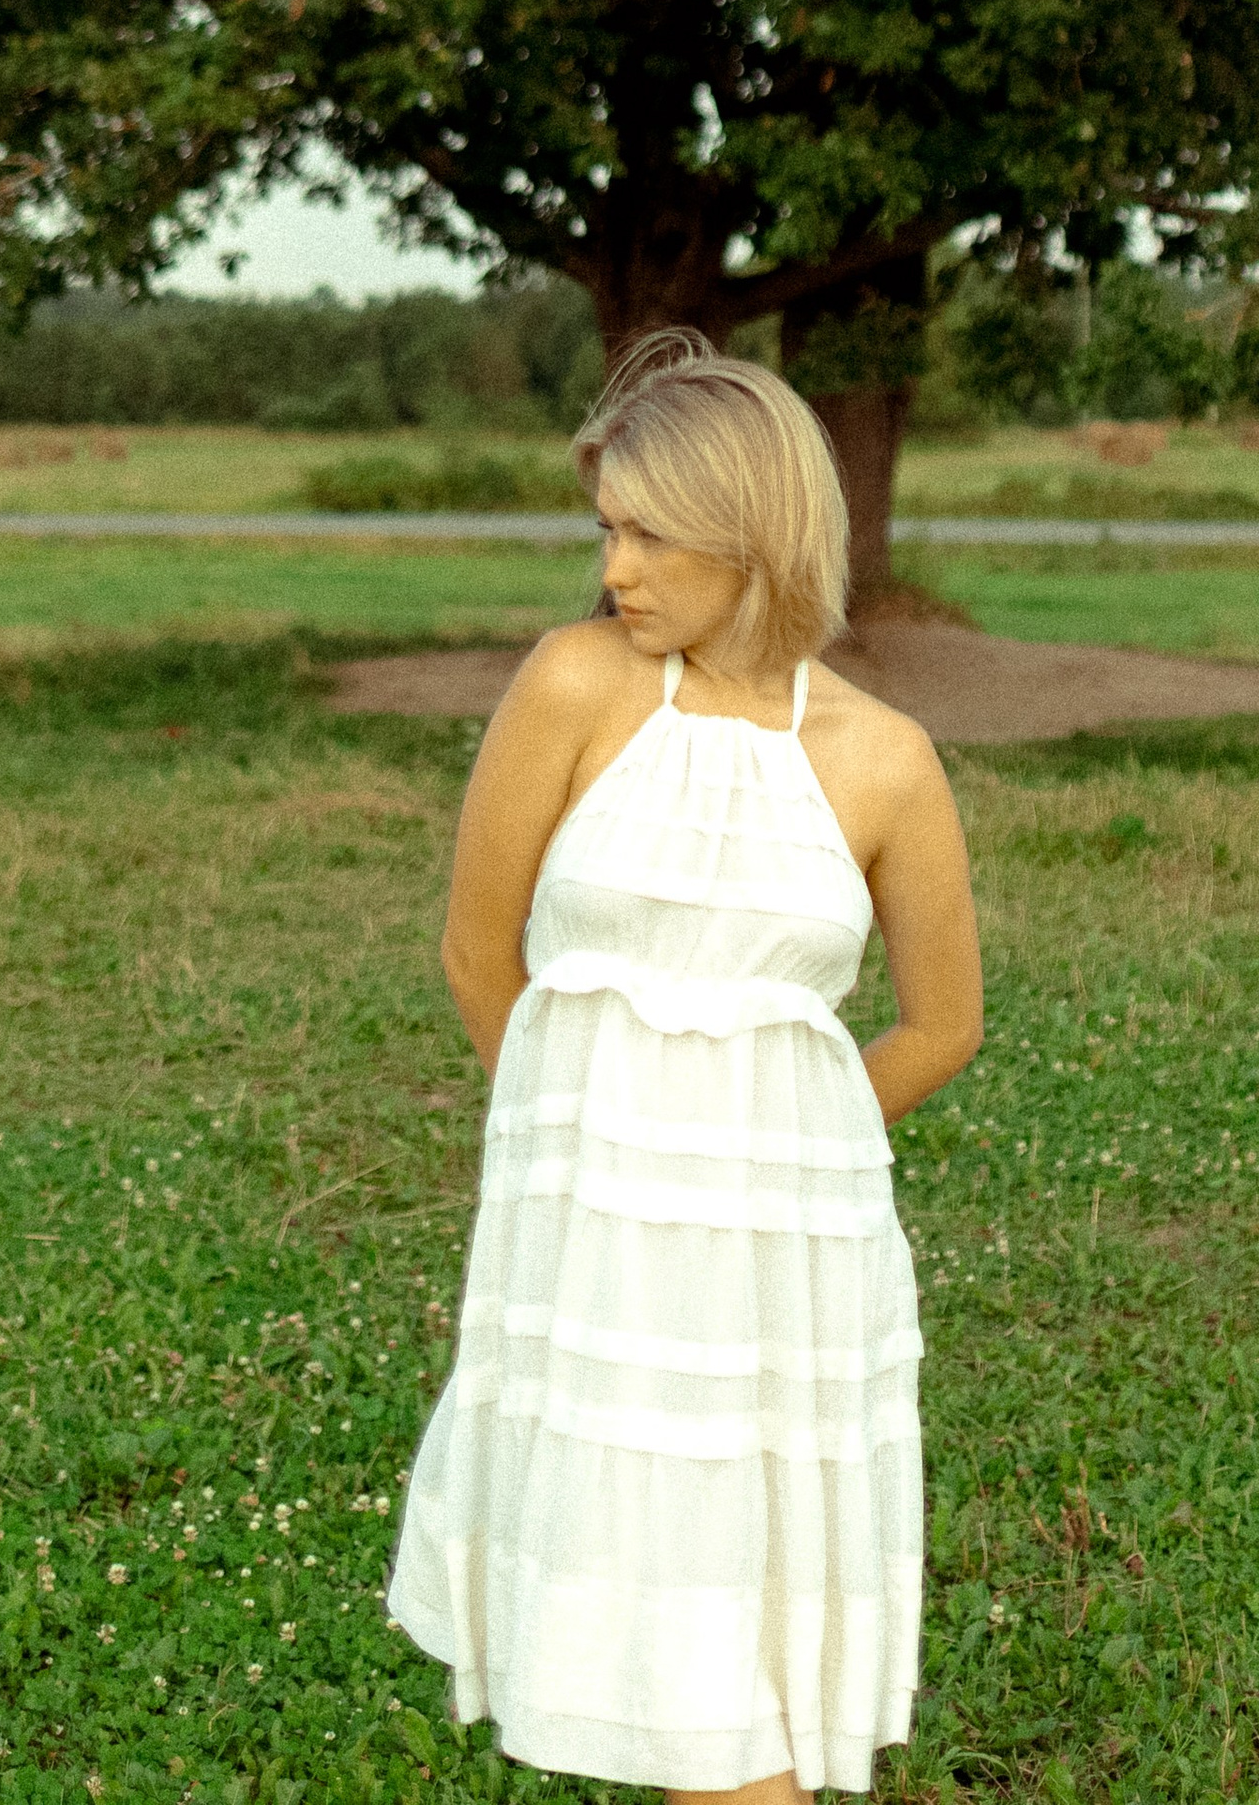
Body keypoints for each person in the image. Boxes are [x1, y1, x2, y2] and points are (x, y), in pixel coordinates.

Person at [388, 331, 985, 1803]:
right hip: (595, 1224)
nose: (617, 569)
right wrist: (581, 1147)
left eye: (651, 533)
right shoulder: (577, 687)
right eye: (610, 529)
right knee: (644, 1605)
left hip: (786, 1246)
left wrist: (781, 1148)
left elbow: (942, 1024)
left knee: (737, 1628)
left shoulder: (886, 758)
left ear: (755, 536)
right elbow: (480, 953)